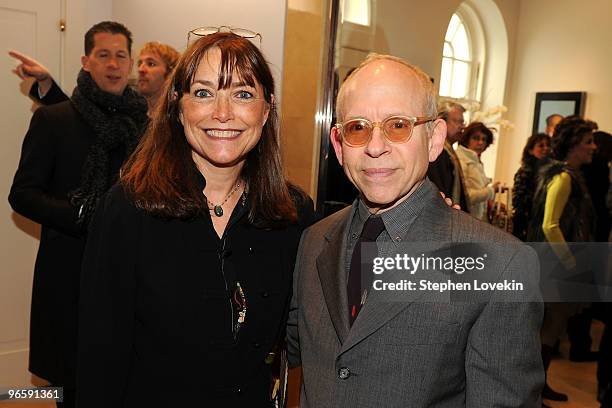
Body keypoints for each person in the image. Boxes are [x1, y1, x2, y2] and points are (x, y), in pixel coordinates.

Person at [287, 53, 544, 407]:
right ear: (339, 145)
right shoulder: (315, 240)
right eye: (358, 128)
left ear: (435, 138)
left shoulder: (500, 262)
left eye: (397, 125)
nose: (376, 147)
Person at [76, 31, 314, 407]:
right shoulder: (129, 208)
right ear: (177, 105)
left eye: (243, 94)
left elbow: (315, 325)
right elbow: (98, 354)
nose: (222, 113)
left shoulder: (292, 214)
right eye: (203, 93)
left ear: (266, 109)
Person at [8, 21, 147, 408]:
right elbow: (22, 195)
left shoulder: (145, 128)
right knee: (72, 389)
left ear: (130, 62)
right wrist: (81, 215)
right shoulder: (55, 120)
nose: (113, 64)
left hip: (129, 279)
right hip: (70, 276)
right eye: (103, 55)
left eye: (121, 55)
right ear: (87, 61)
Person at [527, 115, 598, 404]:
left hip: (552, 264)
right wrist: (571, 263)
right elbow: (550, 225)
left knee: (550, 331)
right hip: (554, 266)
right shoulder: (564, 177)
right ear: (572, 146)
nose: (593, 147)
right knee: (549, 331)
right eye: (588, 142)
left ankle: (539, 388)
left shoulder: (562, 174)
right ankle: (534, 392)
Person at [9, 40, 179, 114]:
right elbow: (81, 116)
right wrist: (46, 81)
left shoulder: (179, 118)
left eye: (150, 64)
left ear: (170, 73)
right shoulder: (127, 107)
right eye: (140, 63)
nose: (141, 69)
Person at [427, 101, 470, 212]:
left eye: (463, 122)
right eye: (457, 121)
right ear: (441, 123)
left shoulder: (449, 150)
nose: (462, 126)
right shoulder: (438, 152)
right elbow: (439, 190)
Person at [456, 122, 499, 221]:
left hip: (475, 219)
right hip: (465, 219)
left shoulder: (475, 160)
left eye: (484, 139)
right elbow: (467, 196)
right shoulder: (461, 160)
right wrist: (492, 191)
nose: (480, 142)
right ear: (466, 140)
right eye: (476, 138)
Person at [512, 133, 551, 241]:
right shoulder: (525, 172)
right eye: (541, 146)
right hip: (528, 223)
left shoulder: (551, 171)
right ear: (530, 150)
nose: (546, 148)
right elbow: (518, 202)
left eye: (548, 145)